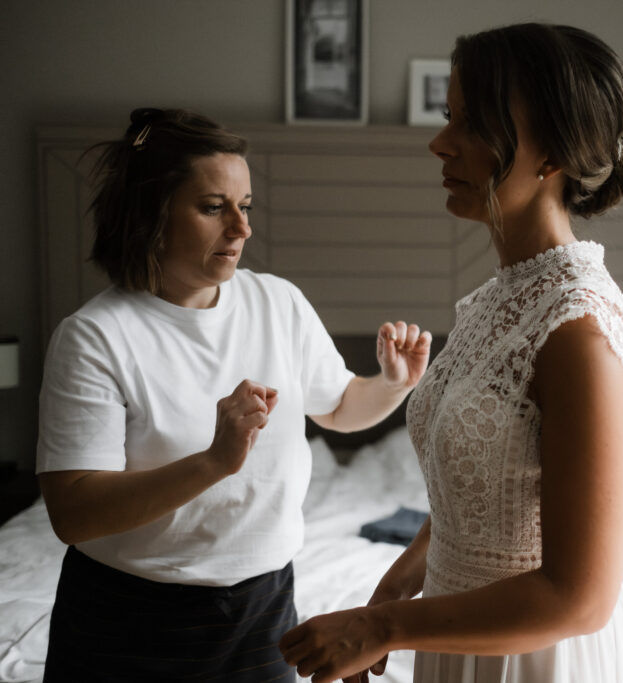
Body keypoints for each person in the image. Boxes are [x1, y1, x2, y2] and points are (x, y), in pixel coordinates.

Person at [279, 23, 623, 683]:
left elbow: (582, 598)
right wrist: (397, 585)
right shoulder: (496, 303)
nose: (440, 142)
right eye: (450, 117)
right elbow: (478, 496)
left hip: (535, 657)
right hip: (462, 639)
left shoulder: (576, 335)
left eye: (473, 124)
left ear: (551, 154)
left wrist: (384, 627)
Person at [36, 107, 431, 682]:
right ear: (151, 213)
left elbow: (342, 408)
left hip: (261, 609)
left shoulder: (279, 303)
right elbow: (73, 513)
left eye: (245, 207)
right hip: (128, 618)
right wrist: (214, 463)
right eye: (213, 207)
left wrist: (393, 383)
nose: (241, 229)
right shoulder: (95, 337)